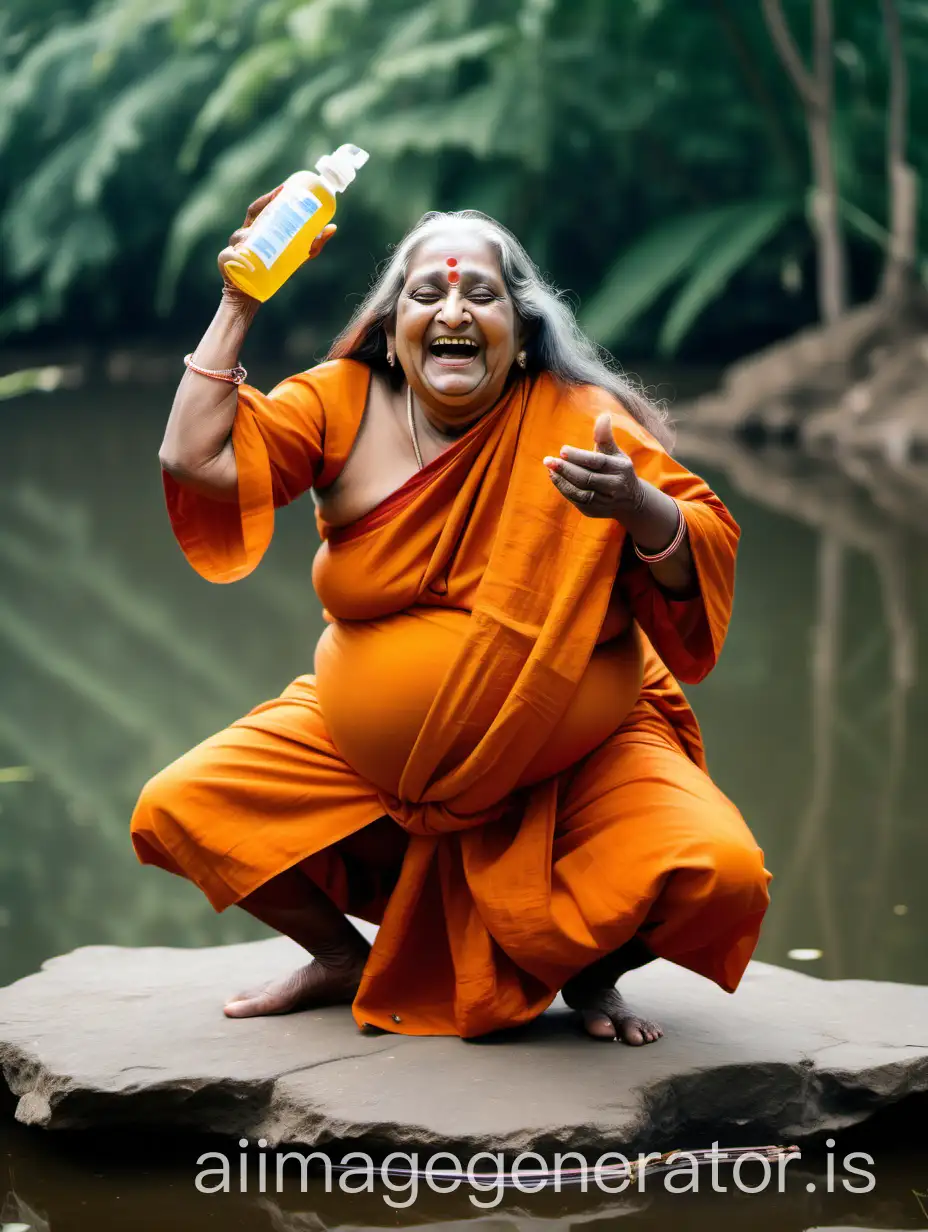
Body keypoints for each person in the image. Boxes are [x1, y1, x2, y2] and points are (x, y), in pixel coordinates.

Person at [131, 195, 771, 1045]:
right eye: (426, 293)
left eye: (482, 296)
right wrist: (240, 302)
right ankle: (338, 956)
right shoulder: (341, 403)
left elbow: (706, 550)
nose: (454, 309)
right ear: (393, 328)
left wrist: (639, 506)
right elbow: (194, 459)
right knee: (178, 806)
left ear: (522, 328)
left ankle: (590, 973)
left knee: (724, 875)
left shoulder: (581, 423)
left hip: (579, 757)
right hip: (360, 757)